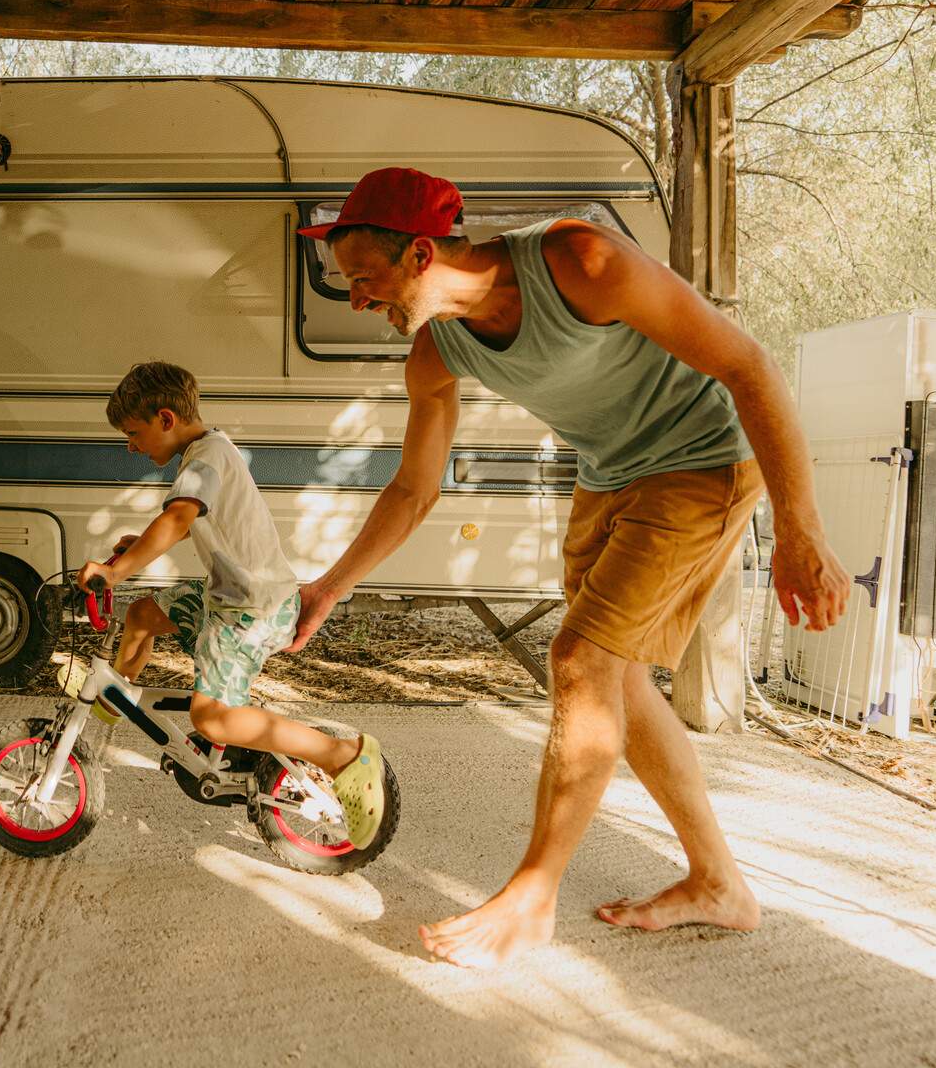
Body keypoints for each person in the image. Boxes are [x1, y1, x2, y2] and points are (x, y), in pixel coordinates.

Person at [293, 166, 851, 968]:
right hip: (609, 475)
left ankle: (533, 896)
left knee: (580, 659)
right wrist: (329, 587)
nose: (356, 300)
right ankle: (719, 884)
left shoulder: (579, 263)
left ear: (420, 253)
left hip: (702, 460)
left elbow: (749, 366)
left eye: (363, 278)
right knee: (613, 677)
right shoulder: (435, 351)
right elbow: (416, 487)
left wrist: (802, 530)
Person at [66, 360, 389, 846]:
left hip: (250, 610)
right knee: (141, 615)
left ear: (166, 418)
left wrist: (115, 571)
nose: (130, 445)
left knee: (211, 717)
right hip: (232, 597)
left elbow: (178, 519)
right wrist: (137, 547)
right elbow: (196, 521)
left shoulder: (206, 457)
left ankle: (342, 755)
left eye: (134, 433)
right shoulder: (206, 451)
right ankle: (118, 697)